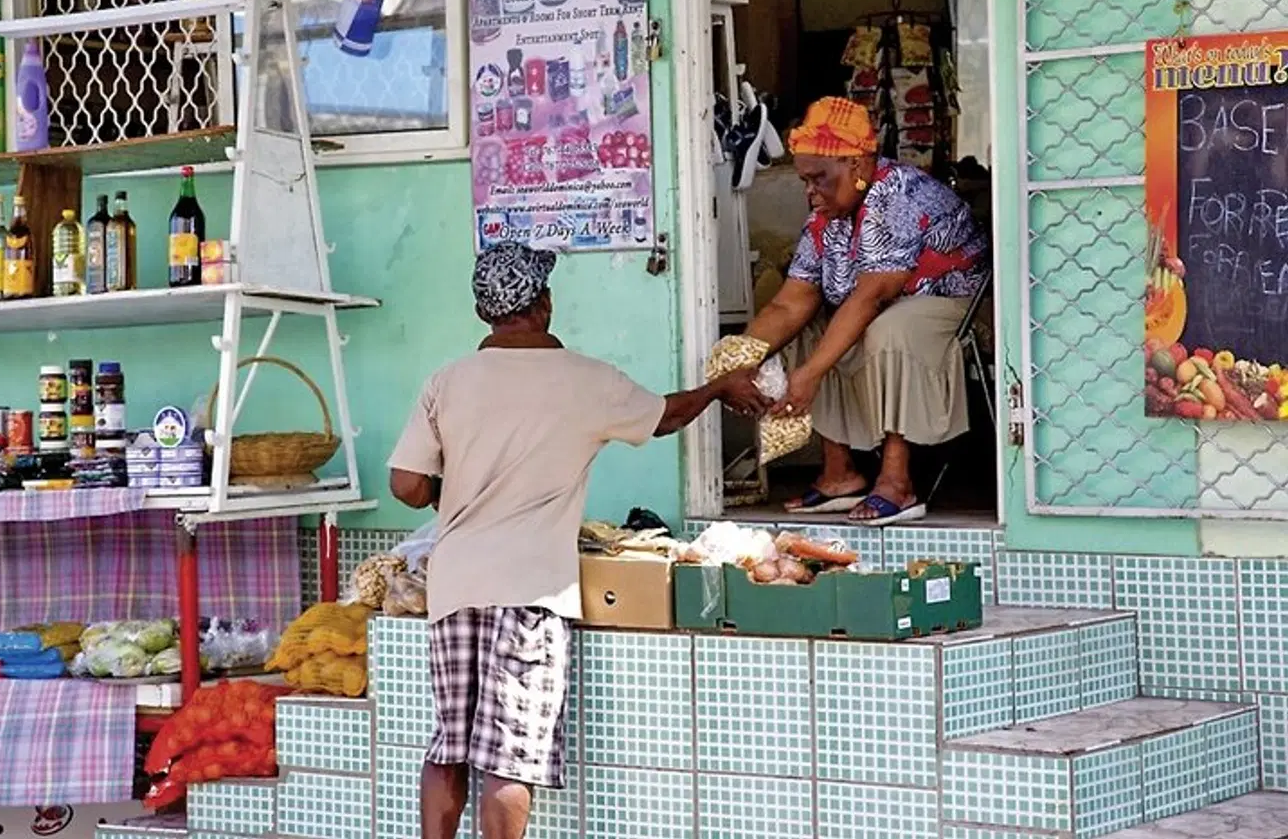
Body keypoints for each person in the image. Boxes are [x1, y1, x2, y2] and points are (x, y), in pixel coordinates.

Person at [388, 242, 766, 839]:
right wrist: (718, 388)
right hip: (531, 591)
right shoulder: (586, 379)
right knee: (508, 761)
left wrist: (455, 495)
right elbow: (665, 416)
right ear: (542, 304)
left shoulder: (448, 381)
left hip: (454, 586)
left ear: (484, 309)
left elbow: (407, 485)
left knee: (448, 745)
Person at [746, 96, 988, 523]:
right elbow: (789, 303)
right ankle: (839, 473)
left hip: (953, 302)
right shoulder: (826, 216)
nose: (809, 192)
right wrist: (740, 357)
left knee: (889, 328)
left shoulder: (897, 193)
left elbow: (873, 296)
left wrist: (811, 373)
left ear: (856, 166)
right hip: (881, 304)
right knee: (805, 327)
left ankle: (897, 481)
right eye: (804, 181)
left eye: (819, 179)